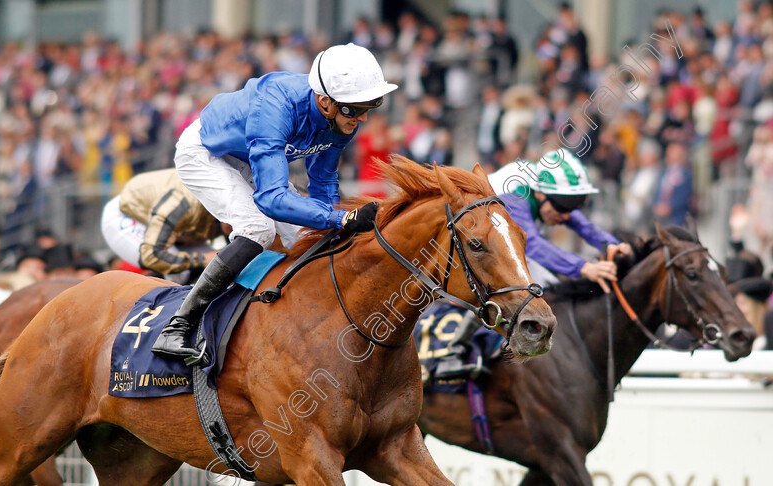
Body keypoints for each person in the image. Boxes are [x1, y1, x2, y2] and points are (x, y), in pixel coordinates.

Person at [152, 43, 397, 362]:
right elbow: (271, 199)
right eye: (354, 108)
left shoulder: (342, 118)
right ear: (324, 101)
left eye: (371, 105)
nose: (363, 117)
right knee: (258, 229)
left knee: (313, 238)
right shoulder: (276, 105)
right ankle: (177, 327)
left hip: (251, 160)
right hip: (206, 152)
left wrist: (335, 226)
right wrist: (341, 219)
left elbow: (322, 183)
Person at [436, 148, 631, 378]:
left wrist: (610, 243)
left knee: (545, 283)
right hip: (474, 245)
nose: (566, 215)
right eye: (562, 206)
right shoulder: (516, 194)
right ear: (539, 194)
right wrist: (584, 267)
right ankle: (455, 351)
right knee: (535, 284)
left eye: (573, 205)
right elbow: (535, 245)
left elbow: (581, 224)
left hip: (497, 240)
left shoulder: (548, 192)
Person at [100, 168, 226, 280]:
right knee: (180, 274)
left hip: (177, 227)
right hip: (127, 215)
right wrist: (202, 259)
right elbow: (151, 256)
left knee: (219, 267)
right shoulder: (182, 204)